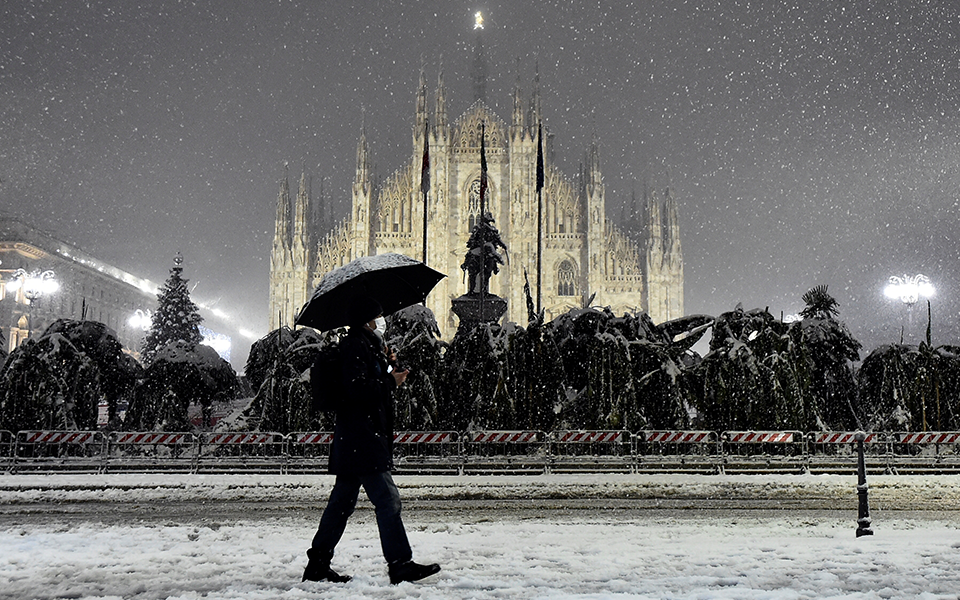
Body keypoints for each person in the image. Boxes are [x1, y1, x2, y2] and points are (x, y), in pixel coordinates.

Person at [302, 296, 441, 585]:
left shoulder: (366, 345)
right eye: (377, 318)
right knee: (387, 500)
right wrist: (390, 381)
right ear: (367, 320)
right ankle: (400, 564)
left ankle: (317, 564)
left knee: (341, 504)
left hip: (358, 438)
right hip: (362, 438)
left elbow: (374, 380)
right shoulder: (355, 345)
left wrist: (390, 367)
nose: (381, 323)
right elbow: (358, 390)